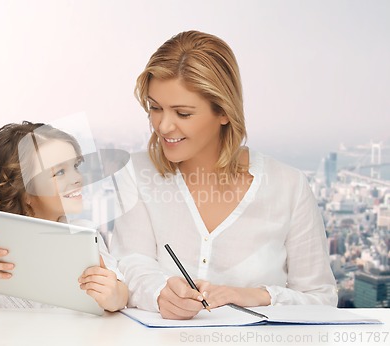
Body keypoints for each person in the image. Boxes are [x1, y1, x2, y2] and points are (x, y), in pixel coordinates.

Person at [109, 30, 338, 320]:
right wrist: (159, 292)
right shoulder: (137, 173)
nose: (164, 126)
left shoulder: (288, 187)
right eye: (155, 108)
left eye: (183, 113)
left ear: (224, 112)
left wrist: (252, 296)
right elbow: (130, 262)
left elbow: (322, 300)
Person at [0, 121, 128, 311]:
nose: (78, 178)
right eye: (60, 172)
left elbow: (120, 296)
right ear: (24, 191)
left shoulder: (85, 237)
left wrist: (111, 294)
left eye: (75, 166)